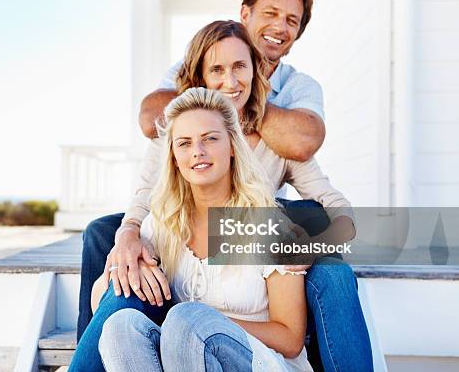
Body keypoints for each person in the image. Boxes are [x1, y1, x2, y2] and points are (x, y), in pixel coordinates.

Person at [71, 20, 372, 372]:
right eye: (216, 69)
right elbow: (142, 199)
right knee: (115, 294)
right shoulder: (165, 204)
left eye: (239, 67)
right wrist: (127, 245)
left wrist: (312, 245)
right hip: (188, 229)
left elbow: (334, 207)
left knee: (322, 262)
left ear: (233, 145)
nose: (230, 81)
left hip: (251, 282)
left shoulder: (277, 168)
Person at [97, 87, 313, 371]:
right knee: (120, 326)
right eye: (184, 143)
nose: (197, 152)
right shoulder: (164, 222)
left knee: (187, 321)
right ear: (173, 156)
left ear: (233, 146)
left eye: (210, 139)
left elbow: (290, 339)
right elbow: (100, 301)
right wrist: (126, 267)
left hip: (262, 363)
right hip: (186, 358)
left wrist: (204, 323)